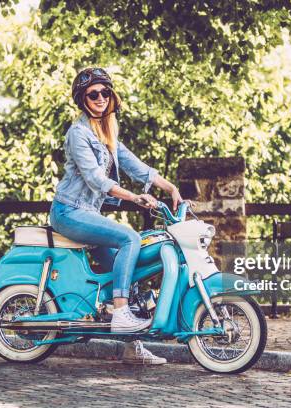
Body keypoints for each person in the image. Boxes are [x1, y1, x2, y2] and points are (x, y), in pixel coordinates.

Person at [49, 67, 183, 365]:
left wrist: (170, 187)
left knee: (129, 270)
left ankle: (130, 348)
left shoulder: (107, 132)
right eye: (92, 94)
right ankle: (121, 313)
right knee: (129, 238)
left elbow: (135, 166)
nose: (100, 98)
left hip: (87, 214)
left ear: (112, 97)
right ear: (83, 99)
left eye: (104, 92)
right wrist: (135, 197)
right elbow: (97, 179)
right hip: (69, 212)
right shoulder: (78, 134)